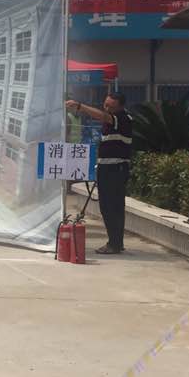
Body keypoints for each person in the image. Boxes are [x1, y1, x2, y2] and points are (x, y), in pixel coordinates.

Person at [66, 93, 133, 255]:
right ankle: (116, 242)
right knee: (111, 207)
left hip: (115, 169)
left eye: (111, 106)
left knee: (111, 207)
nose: (107, 108)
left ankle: (114, 244)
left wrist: (80, 106)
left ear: (120, 107)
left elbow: (103, 116)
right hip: (108, 168)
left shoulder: (123, 119)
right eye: (105, 104)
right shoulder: (114, 120)